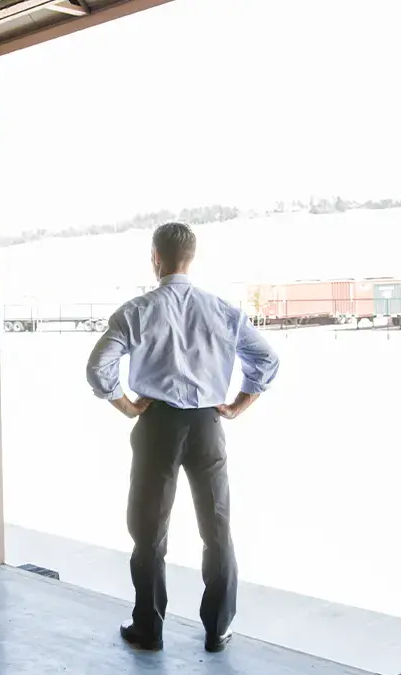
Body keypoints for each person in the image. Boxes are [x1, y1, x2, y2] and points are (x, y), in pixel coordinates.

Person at [85, 222, 279, 654]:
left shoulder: (137, 310)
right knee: (217, 529)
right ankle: (217, 630)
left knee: (149, 533)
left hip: (158, 427)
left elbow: (99, 367)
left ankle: (148, 630)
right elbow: (266, 357)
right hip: (207, 426)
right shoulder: (222, 310)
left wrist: (127, 406)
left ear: (155, 257)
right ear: (190, 258)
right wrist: (236, 405)